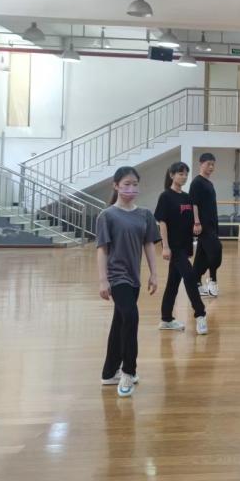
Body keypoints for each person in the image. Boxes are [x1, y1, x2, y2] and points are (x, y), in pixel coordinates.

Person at [97, 166, 160, 398]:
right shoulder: (107, 216)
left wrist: (154, 273)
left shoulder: (145, 214)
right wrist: (103, 280)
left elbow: (149, 244)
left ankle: (108, 372)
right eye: (126, 184)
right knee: (131, 318)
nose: (131, 188)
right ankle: (128, 371)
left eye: (135, 184)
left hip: (134, 278)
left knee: (120, 322)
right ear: (116, 186)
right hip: (117, 277)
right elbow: (102, 249)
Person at [155, 161, 208, 335]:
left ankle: (166, 319)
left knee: (173, 282)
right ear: (172, 175)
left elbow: (189, 219)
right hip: (174, 247)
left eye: (186, 174)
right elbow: (162, 222)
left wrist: (196, 226)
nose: (184, 177)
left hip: (185, 246)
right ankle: (200, 314)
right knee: (191, 277)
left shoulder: (186, 197)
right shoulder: (165, 196)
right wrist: (165, 246)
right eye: (180, 174)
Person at [190, 152, 222, 297]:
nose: (211, 167)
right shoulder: (197, 182)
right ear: (201, 164)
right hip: (203, 225)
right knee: (216, 251)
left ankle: (195, 282)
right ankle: (212, 281)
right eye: (208, 164)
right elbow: (194, 204)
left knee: (202, 255)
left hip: (212, 224)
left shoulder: (209, 183)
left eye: (213, 165)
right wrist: (196, 222)